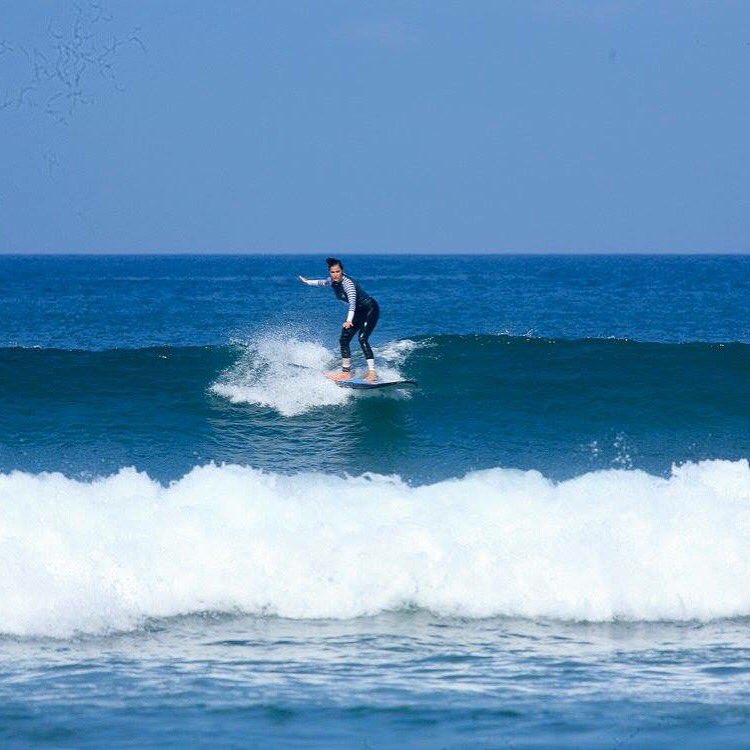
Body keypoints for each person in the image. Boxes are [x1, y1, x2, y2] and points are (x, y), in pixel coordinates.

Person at [298, 257, 380, 381]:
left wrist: (349, 321)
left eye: (337, 272)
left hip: (370, 309)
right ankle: (346, 372)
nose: (335, 275)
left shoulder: (348, 284)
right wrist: (307, 282)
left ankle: (372, 372)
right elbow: (322, 283)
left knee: (362, 338)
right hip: (358, 310)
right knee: (344, 339)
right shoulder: (331, 281)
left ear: (342, 271)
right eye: (332, 272)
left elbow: (352, 303)